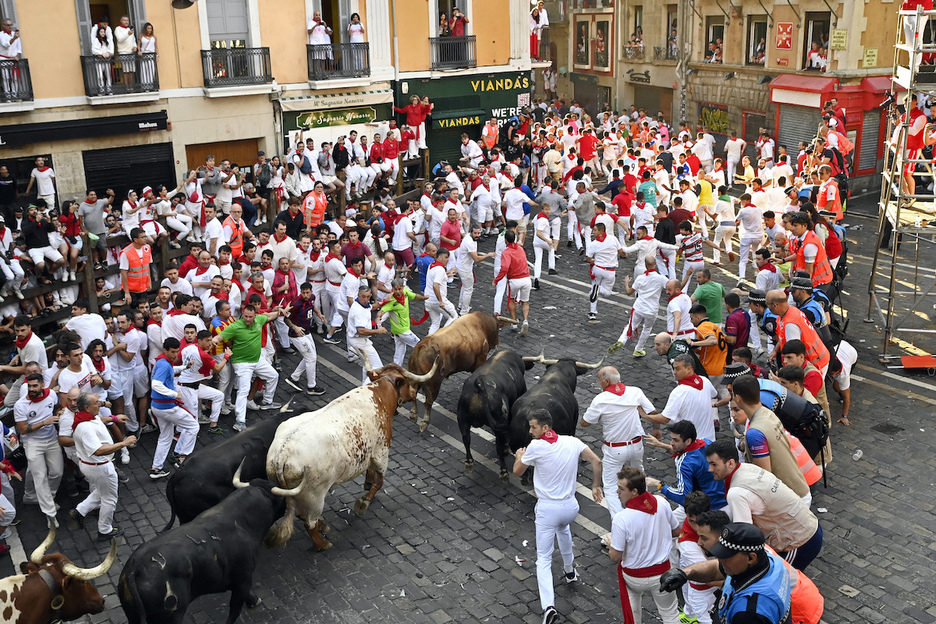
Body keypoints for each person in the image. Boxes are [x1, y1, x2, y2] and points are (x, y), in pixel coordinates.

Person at [513, 410, 603, 624]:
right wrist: (596, 485)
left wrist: (519, 456)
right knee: (564, 530)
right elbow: (597, 461)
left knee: (543, 558)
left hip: (548, 509)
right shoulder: (572, 441)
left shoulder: (535, 447)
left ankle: (549, 607)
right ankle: (570, 571)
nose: (529, 430)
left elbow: (517, 471)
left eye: (533, 427)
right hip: (571, 507)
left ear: (545, 428)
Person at [705, 439, 823, 571]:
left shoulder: (736, 492)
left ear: (731, 463)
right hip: (808, 527)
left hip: (798, 541)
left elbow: (745, 536)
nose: (710, 469)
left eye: (714, 464)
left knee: (780, 581)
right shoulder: (748, 468)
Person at [660, 522, 795, 624]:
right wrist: (685, 573)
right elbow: (715, 568)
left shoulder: (749, 612)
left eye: (727, 556)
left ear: (751, 558)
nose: (720, 559)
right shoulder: (769, 562)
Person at [580, 366, 653, 523]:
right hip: (636, 445)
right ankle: (644, 513)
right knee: (640, 478)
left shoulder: (600, 399)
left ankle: (620, 522)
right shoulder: (635, 391)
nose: (599, 383)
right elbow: (651, 412)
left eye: (600, 380)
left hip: (616, 450)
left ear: (606, 381)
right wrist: (657, 429)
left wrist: (600, 417)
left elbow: (585, 422)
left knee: (612, 487)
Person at [608, 467, 680, 624]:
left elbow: (615, 556)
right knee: (671, 615)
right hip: (662, 575)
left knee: (633, 616)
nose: (617, 492)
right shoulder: (661, 503)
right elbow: (676, 532)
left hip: (634, 577)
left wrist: (610, 544)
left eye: (621, 488)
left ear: (634, 492)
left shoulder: (621, 518)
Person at [730, 375, 812, 503]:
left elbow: (763, 477)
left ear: (738, 398)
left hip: (790, 499)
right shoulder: (768, 413)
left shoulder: (755, 432)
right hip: (798, 485)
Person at [68, 392, 136, 540]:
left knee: (102, 490)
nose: (100, 404)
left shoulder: (86, 417)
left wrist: (115, 418)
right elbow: (98, 451)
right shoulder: (85, 428)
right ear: (87, 407)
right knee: (109, 498)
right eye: (96, 403)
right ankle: (104, 530)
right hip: (100, 466)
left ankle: (80, 511)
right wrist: (123, 443)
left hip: (93, 465)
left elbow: (100, 420)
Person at [212, 304, 285, 431]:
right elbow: (219, 337)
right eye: (245, 316)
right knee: (243, 390)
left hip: (257, 360)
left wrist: (279, 312)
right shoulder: (235, 326)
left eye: (250, 317)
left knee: (273, 375)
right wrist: (213, 341)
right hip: (242, 363)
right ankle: (240, 421)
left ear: (255, 316)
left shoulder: (259, 320)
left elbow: (270, 316)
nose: (247, 319)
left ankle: (268, 401)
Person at [643, 420, 726, 516]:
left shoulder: (685, 463)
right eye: (671, 439)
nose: (671, 443)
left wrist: (659, 485)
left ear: (688, 441)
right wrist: (660, 444)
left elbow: (684, 497)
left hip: (706, 508)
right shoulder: (706, 442)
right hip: (724, 498)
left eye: (675, 440)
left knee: (667, 525)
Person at [14, 373, 63, 528]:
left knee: (57, 473)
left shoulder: (51, 396)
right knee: (40, 478)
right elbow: (22, 429)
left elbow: (56, 407)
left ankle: (48, 497)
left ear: (42, 385)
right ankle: (50, 515)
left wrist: (58, 414)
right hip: (33, 444)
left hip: (52, 440)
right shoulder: (21, 405)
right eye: (29, 386)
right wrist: (44, 422)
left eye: (35, 386)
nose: (31, 389)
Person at [149, 338, 200, 479]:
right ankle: (182, 458)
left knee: (165, 437)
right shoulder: (165, 365)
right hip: (167, 407)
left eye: (177, 351)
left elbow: (170, 371)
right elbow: (156, 384)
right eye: (172, 352)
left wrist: (184, 367)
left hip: (157, 407)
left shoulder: (162, 362)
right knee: (193, 426)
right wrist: (174, 394)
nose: (175, 355)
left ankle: (156, 468)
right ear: (165, 350)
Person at [642, 354, 718, 442]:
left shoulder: (679, 392)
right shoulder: (705, 381)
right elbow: (714, 395)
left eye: (678, 369)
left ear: (689, 369)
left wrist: (645, 416)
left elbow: (664, 419)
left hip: (692, 444)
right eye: (674, 368)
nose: (674, 372)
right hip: (710, 439)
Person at [610, 257, 668, 357]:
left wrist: (626, 283)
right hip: (651, 310)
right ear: (655, 263)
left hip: (638, 307)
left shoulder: (640, 278)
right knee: (647, 329)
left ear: (645, 265)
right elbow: (673, 286)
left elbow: (629, 292)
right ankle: (638, 349)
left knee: (630, 326)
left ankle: (621, 341)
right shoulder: (661, 278)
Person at [179, 329, 232, 435]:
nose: (210, 343)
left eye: (211, 340)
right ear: (199, 341)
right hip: (187, 389)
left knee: (219, 396)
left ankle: (213, 426)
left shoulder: (189, 347)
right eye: (207, 341)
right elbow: (217, 368)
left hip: (190, 385)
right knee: (192, 421)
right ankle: (180, 438)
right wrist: (226, 357)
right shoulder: (203, 355)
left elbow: (178, 360)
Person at [377, 278, 429, 366]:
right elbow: (381, 312)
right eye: (395, 289)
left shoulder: (405, 292)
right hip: (402, 331)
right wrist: (378, 320)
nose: (398, 291)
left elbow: (415, 296)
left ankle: (395, 370)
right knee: (421, 345)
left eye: (399, 289)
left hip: (398, 332)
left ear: (403, 287)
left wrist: (423, 298)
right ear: (392, 289)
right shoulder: (391, 301)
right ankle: (423, 366)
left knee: (399, 354)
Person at [494, 230, 532, 333]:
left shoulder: (506, 253)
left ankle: (514, 322)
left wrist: (496, 280)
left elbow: (505, 268)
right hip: (526, 279)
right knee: (525, 302)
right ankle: (525, 320)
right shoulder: (520, 249)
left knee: (511, 299)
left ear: (505, 240)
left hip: (514, 281)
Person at [348, 284, 387, 384]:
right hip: (359, 341)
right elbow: (361, 331)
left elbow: (372, 307)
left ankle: (362, 386)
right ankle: (366, 388)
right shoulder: (358, 310)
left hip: (359, 340)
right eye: (363, 296)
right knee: (377, 367)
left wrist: (386, 301)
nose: (366, 299)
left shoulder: (362, 304)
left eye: (368, 297)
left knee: (367, 365)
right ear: (358, 295)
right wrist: (378, 331)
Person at [585, 222, 625, 322]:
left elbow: (588, 259)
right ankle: (597, 290)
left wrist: (594, 260)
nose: (593, 232)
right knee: (607, 293)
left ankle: (592, 312)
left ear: (601, 231)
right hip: (610, 270)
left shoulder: (594, 243)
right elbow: (621, 252)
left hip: (597, 269)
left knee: (594, 288)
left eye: (595, 230)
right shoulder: (613, 239)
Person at [456, 223, 494, 314]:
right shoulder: (470, 242)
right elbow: (476, 259)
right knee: (468, 289)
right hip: (465, 269)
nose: (477, 235)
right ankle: (464, 311)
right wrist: (488, 255)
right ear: (471, 232)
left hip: (462, 266)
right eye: (475, 233)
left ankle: (461, 305)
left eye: (478, 233)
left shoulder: (469, 238)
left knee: (465, 287)